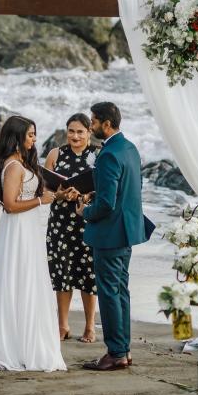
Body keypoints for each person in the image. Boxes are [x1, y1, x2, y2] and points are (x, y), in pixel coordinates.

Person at [0, 115, 66, 372]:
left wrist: (55, 196)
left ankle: (25, 343)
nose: (34, 139)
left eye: (35, 134)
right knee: (19, 281)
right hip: (18, 231)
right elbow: (11, 206)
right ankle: (10, 346)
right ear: (17, 137)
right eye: (30, 135)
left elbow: (33, 195)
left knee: (29, 281)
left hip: (29, 229)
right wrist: (40, 201)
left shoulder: (23, 162)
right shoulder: (13, 166)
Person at [75, 102, 154, 372]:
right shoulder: (129, 148)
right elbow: (129, 189)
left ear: (106, 123)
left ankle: (116, 353)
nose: (91, 126)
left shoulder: (108, 154)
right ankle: (124, 349)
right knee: (121, 291)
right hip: (128, 230)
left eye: (94, 121)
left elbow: (107, 203)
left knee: (109, 293)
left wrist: (86, 211)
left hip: (109, 234)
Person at [44, 113, 98, 343]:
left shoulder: (98, 155)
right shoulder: (56, 154)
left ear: (89, 132)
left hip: (88, 220)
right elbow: (44, 190)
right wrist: (59, 195)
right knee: (62, 272)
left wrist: (86, 195)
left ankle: (90, 326)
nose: (75, 136)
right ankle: (62, 325)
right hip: (60, 222)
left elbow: (105, 189)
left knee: (88, 275)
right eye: (71, 131)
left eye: (80, 131)